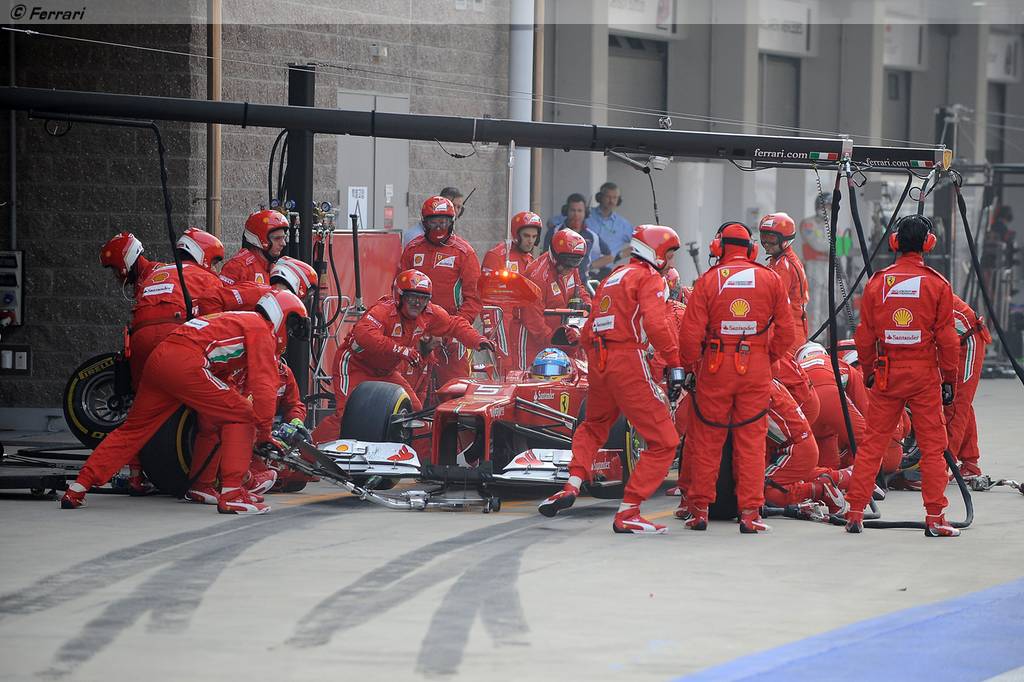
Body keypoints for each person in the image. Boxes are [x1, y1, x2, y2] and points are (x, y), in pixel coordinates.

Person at [60, 290, 309, 515]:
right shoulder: (260, 328)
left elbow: (223, 374)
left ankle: (78, 487)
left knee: (133, 430)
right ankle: (232, 495)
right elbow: (264, 385)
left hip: (161, 358)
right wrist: (264, 433)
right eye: (292, 325)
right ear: (282, 316)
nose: (289, 334)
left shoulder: (236, 319)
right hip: (187, 362)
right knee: (242, 414)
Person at [537, 225, 685, 535]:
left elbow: (588, 329)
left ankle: (571, 485)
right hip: (627, 359)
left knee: (593, 426)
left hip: (599, 361)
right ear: (655, 251)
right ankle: (629, 511)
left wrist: (598, 361)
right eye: (669, 254)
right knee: (665, 441)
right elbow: (656, 324)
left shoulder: (613, 277)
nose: (670, 261)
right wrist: (674, 363)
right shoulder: (649, 277)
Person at [843, 215, 960, 537]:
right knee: (933, 448)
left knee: (872, 444)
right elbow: (948, 340)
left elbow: (864, 336)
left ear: (894, 243)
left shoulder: (878, 282)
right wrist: (949, 378)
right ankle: (935, 517)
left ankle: (855, 512)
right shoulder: (937, 284)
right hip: (924, 376)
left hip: (886, 374)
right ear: (928, 244)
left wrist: (869, 370)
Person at [676, 222, 794, 533]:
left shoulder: (708, 280)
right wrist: (766, 357)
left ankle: (699, 510)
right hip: (755, 369)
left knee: (707, 440)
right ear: (751, 249)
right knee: (752, 441)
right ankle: (750, 514)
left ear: (718, 248)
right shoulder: (770, 279)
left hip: (715, 368)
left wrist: (693, 366)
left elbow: (689, 337)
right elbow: (787, 332)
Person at [309, 270, 494, 443]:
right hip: (354, 365)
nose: (417, 303)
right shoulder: (383, 310)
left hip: (386, 372)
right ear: (399, 296)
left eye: (423, 298)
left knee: (414, 414)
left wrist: (477, 340)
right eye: (412, 297)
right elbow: (363, 335)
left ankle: (407, 459)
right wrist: (400, 350)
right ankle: (307, 452)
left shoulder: (430, 314)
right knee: (347, 416)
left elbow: (454, 324)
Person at [399, 196, 483, 390]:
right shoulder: (412, 249)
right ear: (424, 223)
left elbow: (474, 300)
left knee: (455, 390)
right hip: (416, 335)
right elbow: (399, 290)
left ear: (451, 222)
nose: (438, 227)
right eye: (433, 222)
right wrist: (414, 330)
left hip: (452, 338)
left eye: (443, 222)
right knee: (410, 391)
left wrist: (449, 332)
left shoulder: (464, 252)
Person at [795, 341, 870, 472]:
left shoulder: (796, 368)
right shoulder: (839, 364)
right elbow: (864, 407)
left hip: (807, 405)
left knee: (820, 463)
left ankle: (823, 479)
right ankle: (861, 477)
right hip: (832, 398)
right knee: (867, 443)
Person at [521, 228, 593, 363]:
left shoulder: (571, 268)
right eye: (567, 263)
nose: (570, 268)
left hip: (563, 338)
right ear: (555, 256)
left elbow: (579, 289)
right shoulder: (537, 276)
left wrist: (587, 304)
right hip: (535, 343)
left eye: (575, 262)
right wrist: (555, 342)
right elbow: (532, 319)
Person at [481, 211, 542, 371]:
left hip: (524, 325)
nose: (530, 241)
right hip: (502, 320)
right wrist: (491, 328)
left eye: (534, 236)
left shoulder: (531, 260)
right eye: (526, 236)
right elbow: (486, 298)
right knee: (505, 366)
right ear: (516, 234)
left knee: (525, 369)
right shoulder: (497, 256)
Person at [947, 294, 991, 479]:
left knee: (956, 403)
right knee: (961, 403)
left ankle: (941, 465)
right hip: (953, 340)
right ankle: (970, 463)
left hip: (968, 342)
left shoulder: (919, 292)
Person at [759, 212, 809, 351]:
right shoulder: (779, 260)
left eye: (771, 238)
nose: (766, 243)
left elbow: (772, 302)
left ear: (785, 239)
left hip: (788, 335)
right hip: (789, 329)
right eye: (763, 237)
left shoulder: (783, 266)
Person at [543, 193, 611, 280]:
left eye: (579, 211)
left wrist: (589, 266)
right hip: (557, 281)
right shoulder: (554, 232)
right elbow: (545, 258)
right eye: (573, 210)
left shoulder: (591, 236)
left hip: (582, 284)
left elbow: (609, 257)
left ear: (585, 213)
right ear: (566, 211)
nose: (576, 214)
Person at [219, 209, 290, 285]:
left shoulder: (276, 268)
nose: (283, 243)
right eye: (277, 238)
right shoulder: (238, 267)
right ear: (260, 239)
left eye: (283, 238)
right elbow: (222, 292)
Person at [585, 182, 633, 276]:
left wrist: (619, 255)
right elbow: (556, 222)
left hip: (605, 273)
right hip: (583, 269)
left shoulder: (623, 224)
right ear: (600, 197)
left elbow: (639, 244)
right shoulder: (586, 215)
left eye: (615, 198)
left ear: (619, 200)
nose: (611, 201)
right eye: (608, 197)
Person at [100, 232, 160, 296]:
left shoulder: (150, 285)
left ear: (127, 261)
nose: (115, 274)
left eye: (115, 269)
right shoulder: (146, 278)